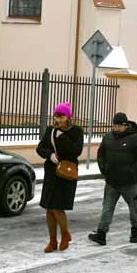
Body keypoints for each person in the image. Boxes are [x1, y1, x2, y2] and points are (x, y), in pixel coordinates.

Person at [88, 112, 137, 245]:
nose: (116, 129)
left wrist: (133, 171)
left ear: (125, 125)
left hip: (129, 182)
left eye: (119, 126)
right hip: (112, 180)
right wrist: (103, 168)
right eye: (114, 126)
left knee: (134, 208)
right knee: (107, 207)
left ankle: (135, 231)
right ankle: (101, 233)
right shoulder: (108, 137)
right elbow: (101, 154)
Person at [36, 102, 84, 252]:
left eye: (61, 116)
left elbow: (76, 151)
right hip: (52, 172)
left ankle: (65, 234)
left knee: (57, 207)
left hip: (66, 172)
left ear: (68, 117)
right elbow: (40, 148)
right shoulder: (51, 130)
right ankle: (52, 241)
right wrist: (49, 155)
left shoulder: (77, 131)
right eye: (56, 116)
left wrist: (62, 136)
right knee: (49, 208)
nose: (58, 119)